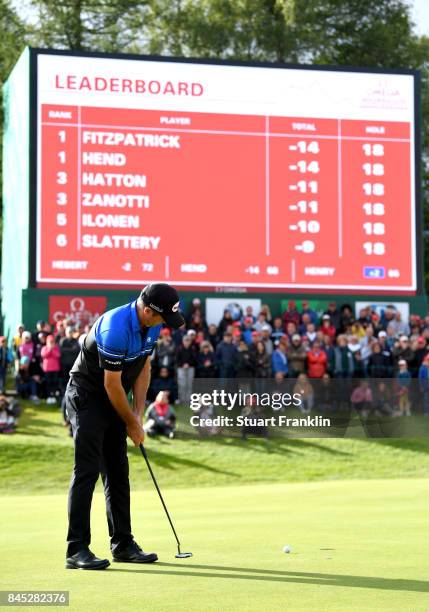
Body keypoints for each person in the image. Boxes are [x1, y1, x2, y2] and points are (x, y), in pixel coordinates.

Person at [64, 283, 185, 570]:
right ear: (147, 311)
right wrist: (130, 422)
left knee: (118, 472)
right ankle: (76, 549)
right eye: (163, 319)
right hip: (87, 396)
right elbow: (110, 384)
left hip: (114, 397)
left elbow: (144, 367)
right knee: (87, 470)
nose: (165, 325)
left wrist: (138, 414)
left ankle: (123, 544)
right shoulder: (114, 327)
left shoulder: (152, 324)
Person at [176, 335, 197, 404]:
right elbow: (177, 359)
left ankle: (188, 400)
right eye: (186, 340)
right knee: (182, 384)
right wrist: (183, 364)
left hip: (190, 368)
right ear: (183, 341)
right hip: (181, 368)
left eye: (188, 340)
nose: (187, 342)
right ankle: (181, 399)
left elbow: (194, 359)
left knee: (189, 384)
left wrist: (188, 364)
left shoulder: (193, 349)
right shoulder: (179, 348)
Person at [41, 335, 61, 404]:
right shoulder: (44, 348)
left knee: (54, 382)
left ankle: (53, 396)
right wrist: (50, 349)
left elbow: (58, 355)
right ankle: (49, 396)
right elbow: (44, 355)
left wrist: (52, 350)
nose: (51, 343)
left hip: (55, 368)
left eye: (52, 342)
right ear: (47, 342)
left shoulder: (56, 348)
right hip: (47, 369)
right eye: (50, 342)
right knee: (48, 383)